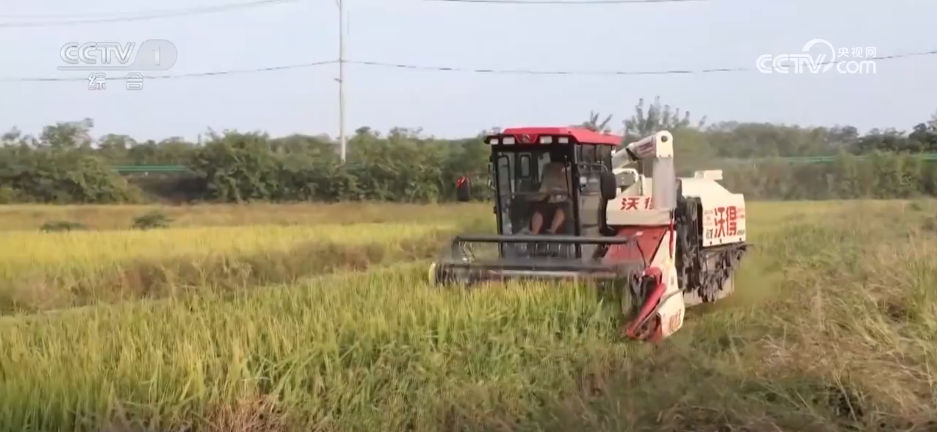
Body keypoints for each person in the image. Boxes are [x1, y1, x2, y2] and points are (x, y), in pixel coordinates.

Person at [529, 162, 571, 234]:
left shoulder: (570, 175)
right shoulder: (549, 177)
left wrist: (562, 191)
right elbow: (542, 192)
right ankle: (533, 233)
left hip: (566, 202)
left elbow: (572, 192)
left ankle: (552, 230)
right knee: (539, 211)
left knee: (561, 210)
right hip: (550, 201)